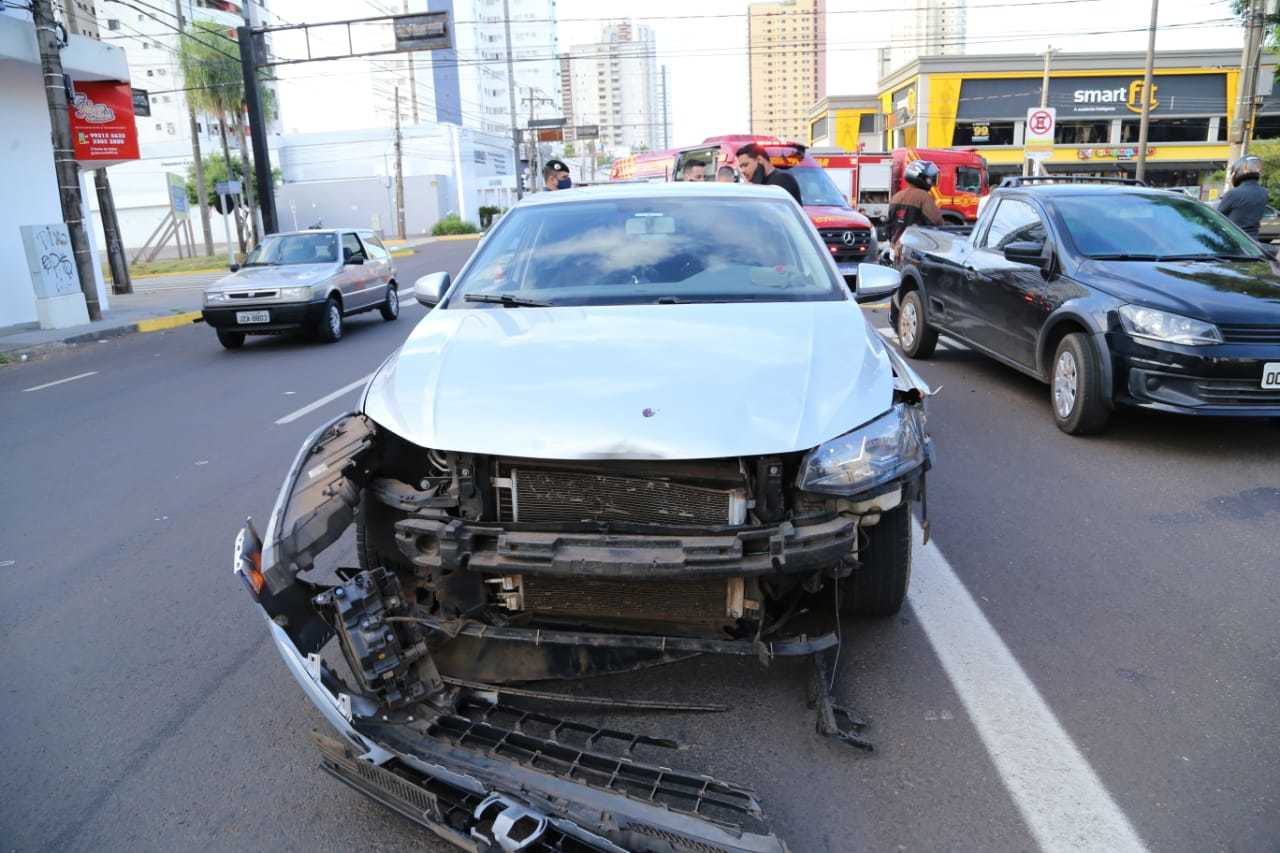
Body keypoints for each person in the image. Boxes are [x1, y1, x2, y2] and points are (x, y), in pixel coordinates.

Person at [886, 159, 944, 251]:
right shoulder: (924, 197)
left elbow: (889, 225)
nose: (932, 182)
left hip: (895, 247)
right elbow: (937, 222)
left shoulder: (896, 196)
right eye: (931, 178)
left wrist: (894, 242)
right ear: (922, 178)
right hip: (914, 248)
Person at [735, 142, 802, 204]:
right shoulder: (761, 182)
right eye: (741, 167)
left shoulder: (782, 180)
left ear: (759, 160)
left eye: (745, 165)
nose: (743, 170)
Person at [1217, 155, 1268, 238]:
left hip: (1234, 239)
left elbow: (1217, 217)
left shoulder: (1233, 193)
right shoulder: (1264, 192)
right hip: (1253, 239)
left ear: (1238, 171)